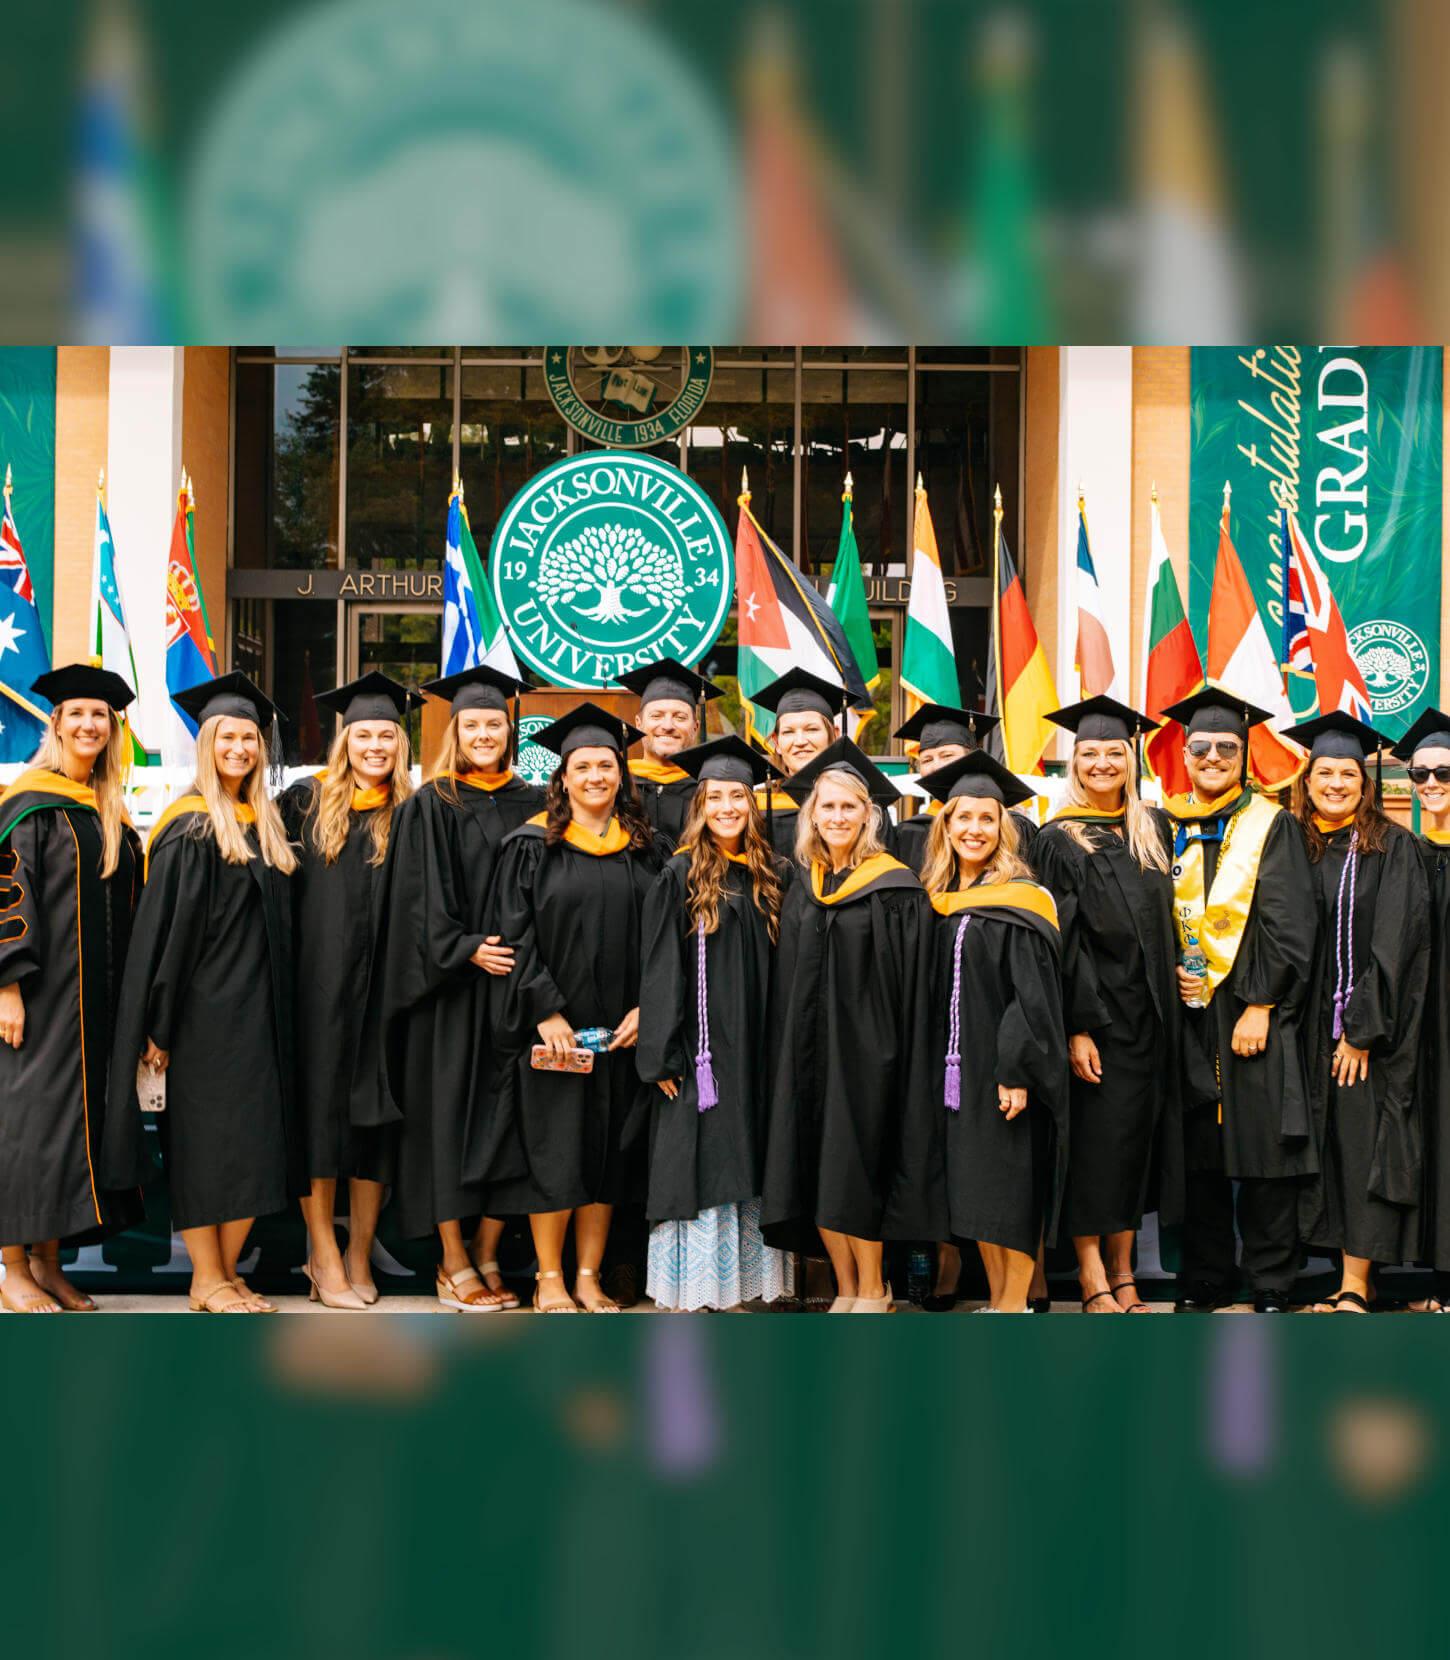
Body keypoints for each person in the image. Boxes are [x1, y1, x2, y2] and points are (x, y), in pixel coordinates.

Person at [103, 672, 302, 1315]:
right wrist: (160, 1025)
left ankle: (226, 1273)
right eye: (228, 736)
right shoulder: (191, 826)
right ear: (208, 743)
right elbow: (166, 938)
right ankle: (205, 1278)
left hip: (263, 1014)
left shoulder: (264, 822)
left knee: (258, 1149)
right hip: (205, 1017)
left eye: (249, 737)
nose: (240, 747)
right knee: (207, 1150)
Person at [360, 664, 540, 1313]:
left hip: (517, 990)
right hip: (452, 994)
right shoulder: (431, 805)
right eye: (474, 724)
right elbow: (415, 901)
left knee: (511, 1121)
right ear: (456, 730)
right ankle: (453, 1260)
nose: (485, 733)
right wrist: (465, 950)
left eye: (496, 723)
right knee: (446, 1125)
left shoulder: (535, 800)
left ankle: (489, 1249)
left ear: (510, 729)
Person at [486, 703, 662, 1312]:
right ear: (561, 777)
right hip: (555, 1032)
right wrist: (546, 1010)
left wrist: (649, 1007)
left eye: (605, 766)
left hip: (622, 1030)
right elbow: (513, 935)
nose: (595, 776)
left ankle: (588, 1274)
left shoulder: (644, 849)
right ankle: (550, 1279)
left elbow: (665, 939)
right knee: (556, 1152)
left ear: (622, 774)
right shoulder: (531, 846)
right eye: (582, 766)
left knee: (609, 1153)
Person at [760, 739, 938, 1312]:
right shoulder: (804, 885)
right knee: (815, 1167)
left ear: (869, 815)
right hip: (807, 1053)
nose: (837, 817)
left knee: (857, 1169)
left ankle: (874, 1287)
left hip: (869, 1057)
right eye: (827, 807)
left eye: (848, 807)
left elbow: (913, 986)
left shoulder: (895, 888)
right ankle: (846, 1287)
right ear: (812, 814)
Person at [1160, 685, 1318, 1314]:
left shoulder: (1270, 823)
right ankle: (1205, 1275)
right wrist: (1178, 970)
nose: (1214, 756)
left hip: (1252, 1010)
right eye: (1202, 747)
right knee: (1198, 1154)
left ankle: (1273, 1280)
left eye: (1228, 746)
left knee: (1262, 1151)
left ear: (1245, 755)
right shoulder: (1162, 822)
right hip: (1189, 1010)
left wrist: (1262, 1003)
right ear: (1185, 753)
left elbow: (1290, 922)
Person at [0, 666, 143, 1313]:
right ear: (54, 723)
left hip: (95, 1006)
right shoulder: (28, 804)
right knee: (27, 1128)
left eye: (100, 717)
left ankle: (50, 1264)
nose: (89, 725)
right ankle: (11, 1267)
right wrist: (6, 986)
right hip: (39, 999)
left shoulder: (107, 809)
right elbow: (8, 895)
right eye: (77, 714)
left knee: (68, 1132)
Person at [636, 735, 794, 1311]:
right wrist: (661, 1053)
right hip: (701, 1050)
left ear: (753, 805)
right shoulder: (679, 875)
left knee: (754, 1146)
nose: (728, 807)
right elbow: (659, 968)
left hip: (757, 1043)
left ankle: (750, 1286)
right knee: (703, 1153)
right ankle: (700, 1288)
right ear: (698, 806)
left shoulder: (773, 874)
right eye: (716, 797)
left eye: (738, 796)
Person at [278, 671, 419, 1310]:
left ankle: (360, 1250)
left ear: (401, 740)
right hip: (317, 992)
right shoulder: (304, 803)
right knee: (317, 1120)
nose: (375, 745)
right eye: (363, 733)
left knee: (375, 1126)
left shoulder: (414, 813)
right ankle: (322, 1253)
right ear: (345, 739)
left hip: (387, 994)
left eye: (386, 734)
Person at [1034, 696, 1177, 1314]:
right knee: (1094, 1148)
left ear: (1130, 756)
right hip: (1099, 1018)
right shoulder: (1059, 838)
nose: (1100, 763)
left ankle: (1124, 1270)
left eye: (1111, 752)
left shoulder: (1152, 827)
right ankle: (1093, 1274)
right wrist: (1078, 1026)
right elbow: (1062, 941)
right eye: (1088, 753)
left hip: (1153, 1017)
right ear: (1074, 762)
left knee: (1135, 1146)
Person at [1287, 712, 1429, 1314]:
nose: (1337, 782)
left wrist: (1362, 1031)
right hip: (1307, 1026)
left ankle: (1353, 1284)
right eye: (1326, 772)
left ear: (1365, 784)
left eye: (1348, 773)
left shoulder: (1395, 847)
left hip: (1369, 1029)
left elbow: (1396, 944)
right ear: (1308, 777)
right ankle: (1348, 1279)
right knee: (1328, 1150)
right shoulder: (1295, 839)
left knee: (1363, 1146)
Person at [917, 751, 1067, 1313]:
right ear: (946, 825)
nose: (974, 829)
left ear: (1003, 828)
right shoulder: (936, 895)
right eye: (964, 818)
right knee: (975, 1192)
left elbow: (1029, 996)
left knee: (1009, 1191)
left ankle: (1012, 1306)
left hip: (1001, 1068)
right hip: (953, 1070)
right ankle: (1002, 1302)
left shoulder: (1022, 899)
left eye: (987, 819)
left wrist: (1016, 1070)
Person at [1393, 708, 1450, 1312]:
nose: (1431, 784)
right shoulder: (1407, 852)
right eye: (1420, 773)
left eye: (1444, 773)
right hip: (1418, 1026)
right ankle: (1437, 1277)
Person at [893, 703, 1040, 877]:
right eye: (926, 760)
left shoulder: (1013, 827)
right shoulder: (909, 834)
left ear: (971, 756)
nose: (936, 767)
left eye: (947, 756)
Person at [616, 656, 722, 851]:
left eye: (679, 717)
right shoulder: (617, 785)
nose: (667, 726)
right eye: (656, 716)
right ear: (638, 724)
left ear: (695, 727)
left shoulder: (710, 790)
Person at [748, 667, 847, 856]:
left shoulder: (856, 801)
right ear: (776, 743)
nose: (800, 741)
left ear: (833, 735)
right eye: (789, 732)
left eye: (811, 729)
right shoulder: (757, 806)